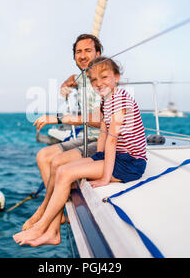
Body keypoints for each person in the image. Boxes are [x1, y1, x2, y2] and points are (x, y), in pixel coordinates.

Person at [13, 56, 147, 247]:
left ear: (116, 77)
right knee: (61, 169)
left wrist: (104, 177)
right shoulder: (105, 101)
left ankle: (41, 227)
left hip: (129, 163)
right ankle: (52, 232)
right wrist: (94, 159)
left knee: (67, 173)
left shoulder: (121, 99)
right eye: (94, 80)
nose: (99, 83)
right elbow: (102, 134)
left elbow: (111, 140)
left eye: (104, 77)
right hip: (116, 157)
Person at [21, 34, 103, 231]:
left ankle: (44, 211)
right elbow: (74, 79)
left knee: (58, 162)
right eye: (78, 52)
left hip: (101, 140)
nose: (82, 55)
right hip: (87, 137)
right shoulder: (83, 77)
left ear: (98, 54)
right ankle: (57, 217)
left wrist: (59, 118)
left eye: (88, 51)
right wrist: (68, 81)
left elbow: (102, 119)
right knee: (43, 156)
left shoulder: (101, 79)